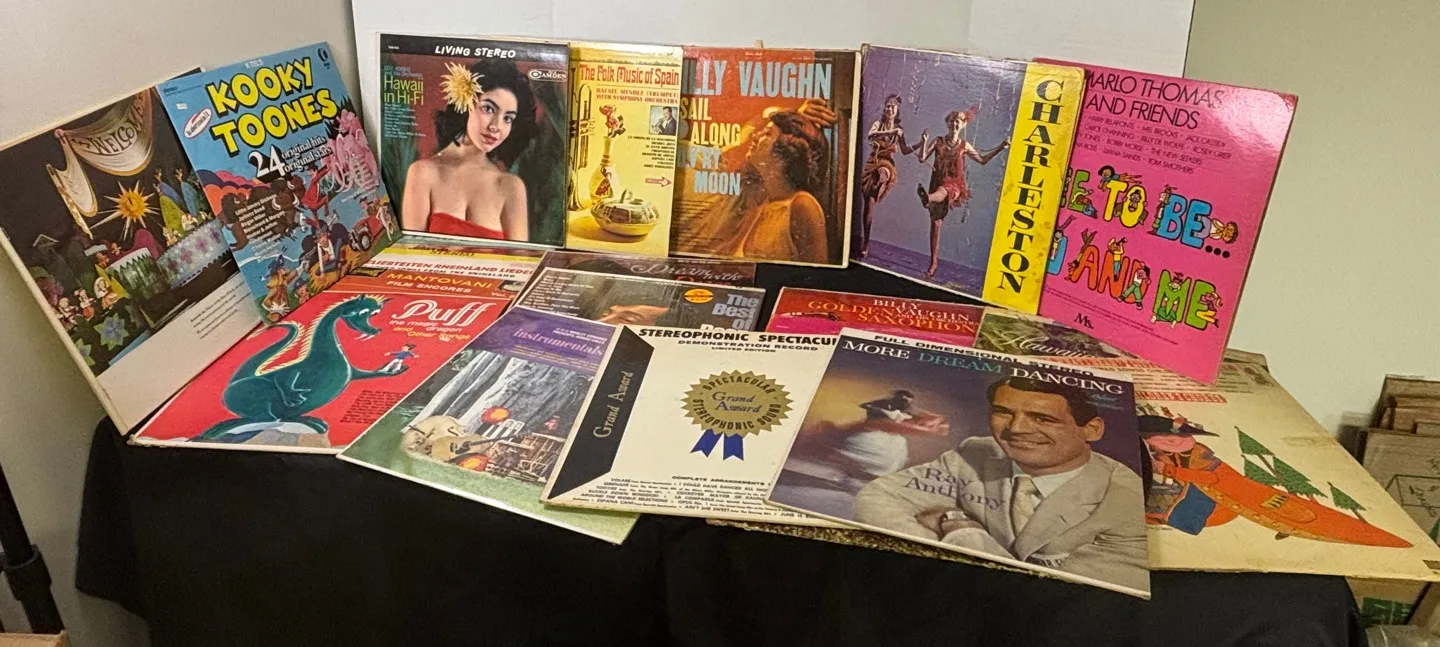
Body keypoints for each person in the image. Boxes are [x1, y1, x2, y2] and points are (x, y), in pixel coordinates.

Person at [854, 377, 1147, 591]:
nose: (1016, 429)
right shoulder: (977, 451)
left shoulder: (1124, 500)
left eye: (1042, 418)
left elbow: (1043, 599)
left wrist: (961, 531)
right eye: (1003, 412)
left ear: (1091, 430)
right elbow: (878, 498)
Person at [676, 98, 835, 264]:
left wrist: (797, 120)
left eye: (765, 133)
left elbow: (816, 271)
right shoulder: (758, 205)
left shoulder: (800, 204)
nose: (755, 136)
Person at [402, 59, 536, 242]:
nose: (496, 126)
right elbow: (412, 252)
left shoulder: (511, 187)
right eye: (488, 109)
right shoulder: (423, 173)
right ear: (465, 103)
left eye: (508, 118)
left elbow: (519, 257)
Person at [915, 109, 1009, 277]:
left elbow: (982, 160)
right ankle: (933, 262)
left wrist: (1001, 147)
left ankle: (927, 198)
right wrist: (924, 141)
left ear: (963, 125)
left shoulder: (964, 145)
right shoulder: (938, 141)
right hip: (936, 182)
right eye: (952, 120)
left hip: (955, 185)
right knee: (936, 223)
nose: (954, 123)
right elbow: (922, 158)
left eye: (958, 121)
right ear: (947, 123)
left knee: (945, 190)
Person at [857, 95, 921, 258]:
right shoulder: (878, 124)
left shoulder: (899, 130)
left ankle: (881, 181)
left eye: (893, 106)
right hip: (872, 163)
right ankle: (866, 241)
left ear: (897, 110)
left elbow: (905, 150)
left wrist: (920, 143)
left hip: (887, 163)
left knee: (884, 171)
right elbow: (871, 135)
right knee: (869, 204)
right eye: (887, 106)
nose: (890, 109)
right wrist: (891, 131)